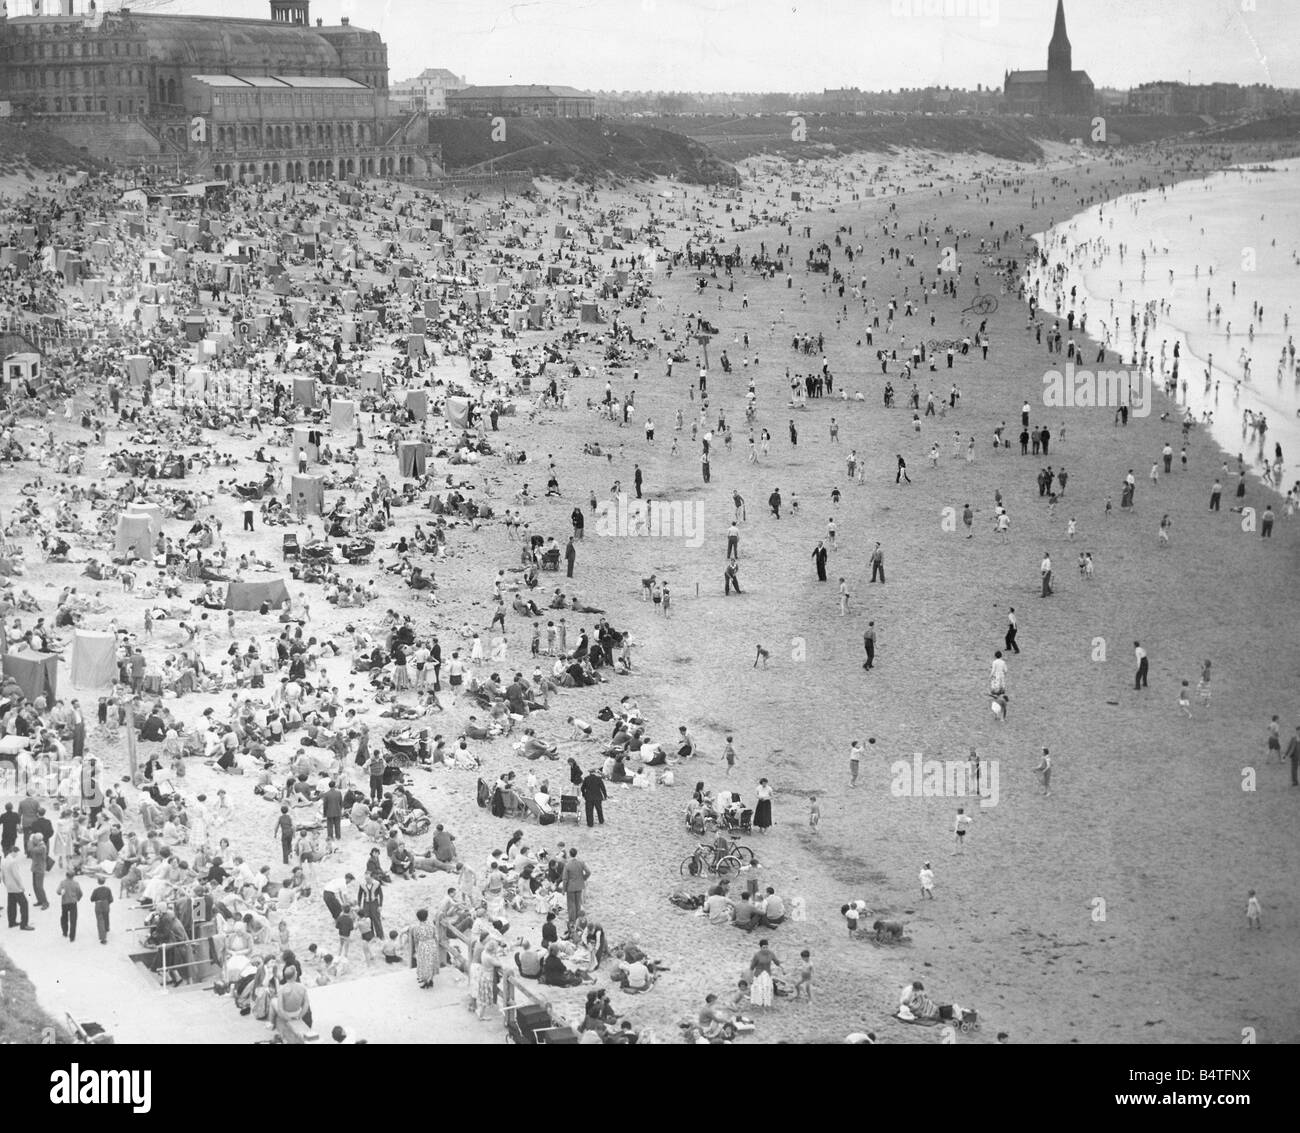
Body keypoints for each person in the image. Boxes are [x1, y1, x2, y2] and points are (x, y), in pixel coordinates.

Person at [3, 847, 33, 930]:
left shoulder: (4, 861)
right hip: (16, 887)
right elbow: (16, 876)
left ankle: (11, 922)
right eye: (17, 853)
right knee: (24, 904)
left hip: (9, 886)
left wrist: (6, 884)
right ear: (14, 852)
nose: (17, 855)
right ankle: (24, 924)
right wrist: (21, 886)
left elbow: (2, 876)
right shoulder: (13, 862)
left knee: (11, 904)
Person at [411, 908, 440, 987]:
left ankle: (425, 980)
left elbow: (415, 939)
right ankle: (430, 979)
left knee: (424, 963)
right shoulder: (431, 925)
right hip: (432, 944)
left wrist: (416, 948)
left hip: (423, 946)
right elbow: (436, 936)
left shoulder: (416, 927)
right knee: (431, 962)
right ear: (427, 917)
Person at [562, 847, 590, 926]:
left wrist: (564, 889)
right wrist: (584, 878)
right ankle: (578, 919)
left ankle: (572, 921)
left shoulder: (567, 865)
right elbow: (588, 872)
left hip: (570, 887)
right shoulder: (581, 862)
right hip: (579, 886)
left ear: (570, 854)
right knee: (578, 903)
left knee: (571, 905)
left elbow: (565, 879)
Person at [57, 869, 83, 941]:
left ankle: (65, 932)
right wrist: (78, 898)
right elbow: (80, 893)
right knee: (73, 919)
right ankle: (72, 937)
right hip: (73, 903)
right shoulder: (76, 883)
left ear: (66, 875)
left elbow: (58, 891)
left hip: (64, 902)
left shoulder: (62, 883)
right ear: (73, 876)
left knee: (64, 918)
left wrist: (61, 893)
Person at [90, 874, 114, 942]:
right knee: (106, 916)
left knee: (100, 920)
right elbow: (111, 899)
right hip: (106, 904)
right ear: (104, 882)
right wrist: (107, 903)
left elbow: (91, 899)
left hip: (98, 904)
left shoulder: (96, 890)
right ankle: (106, 928)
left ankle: (103, 937)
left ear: (98, 882)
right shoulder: (108, 889)